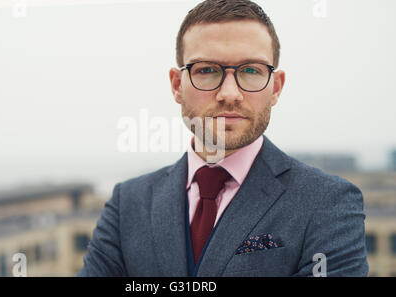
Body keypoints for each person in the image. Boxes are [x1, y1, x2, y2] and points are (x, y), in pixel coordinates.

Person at [77, 0, 368, 277]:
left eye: (251, 70)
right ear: (177, 86)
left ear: (276, 88)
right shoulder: (127, 204)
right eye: (206, 70)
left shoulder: (329, 203)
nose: (229, 93)